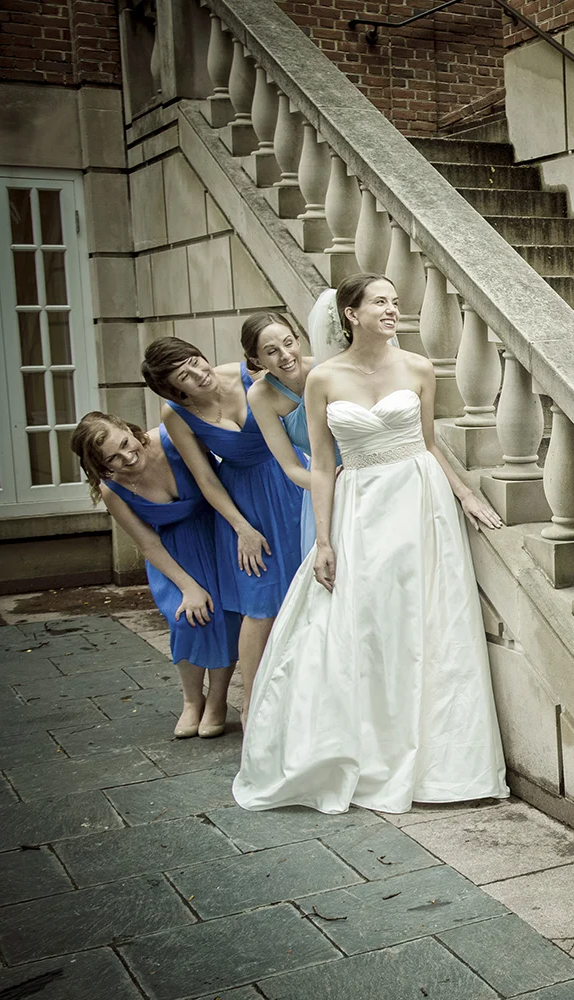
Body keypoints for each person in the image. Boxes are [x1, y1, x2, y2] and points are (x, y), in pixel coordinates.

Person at [232, 273, 509, 814]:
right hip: (359, 504)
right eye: (380, 301)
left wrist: (464, 494)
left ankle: (441, 760)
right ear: (351, 314)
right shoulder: (323, 379)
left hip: (419, 501)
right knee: (368, 623)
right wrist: (326, 540)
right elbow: (321, 464)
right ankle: (369, 748)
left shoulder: (420, 368)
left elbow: (427, 444)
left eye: (395, 301)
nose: (392, 309)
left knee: (426, 621)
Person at [145, 337, 307, 724]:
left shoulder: (249, 375)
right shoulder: (176, 415)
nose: (200, 374)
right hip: (240, 503)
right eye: (186, 375)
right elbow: (205, 478)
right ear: (174, 390)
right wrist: (241, 528)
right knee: (259, 602)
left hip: (288, 484)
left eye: (197, 361)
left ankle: (303, 693)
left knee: (304, 589)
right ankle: (252, 703)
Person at [71, 412, 242, 738]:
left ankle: (218, 700)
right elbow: (147, 543)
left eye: (124, 443)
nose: (127, 456)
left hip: (216, 536)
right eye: (113, 458)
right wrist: (188, 587)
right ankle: (192, 700)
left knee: (225, 615)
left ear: (128, 427)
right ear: (100, 464)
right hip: (171, 554)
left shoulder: (172, 438)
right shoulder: (113, 490)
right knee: (186, 618)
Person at [245, 310, 338, 551]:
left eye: (288, 343)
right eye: (271, 351)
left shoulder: (327, 368)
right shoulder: (261, 395)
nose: (285, 356)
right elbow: (291, 467)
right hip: (321, 487)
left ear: (298, 341)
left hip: (366, 475)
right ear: (257, 361)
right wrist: (332, 487)